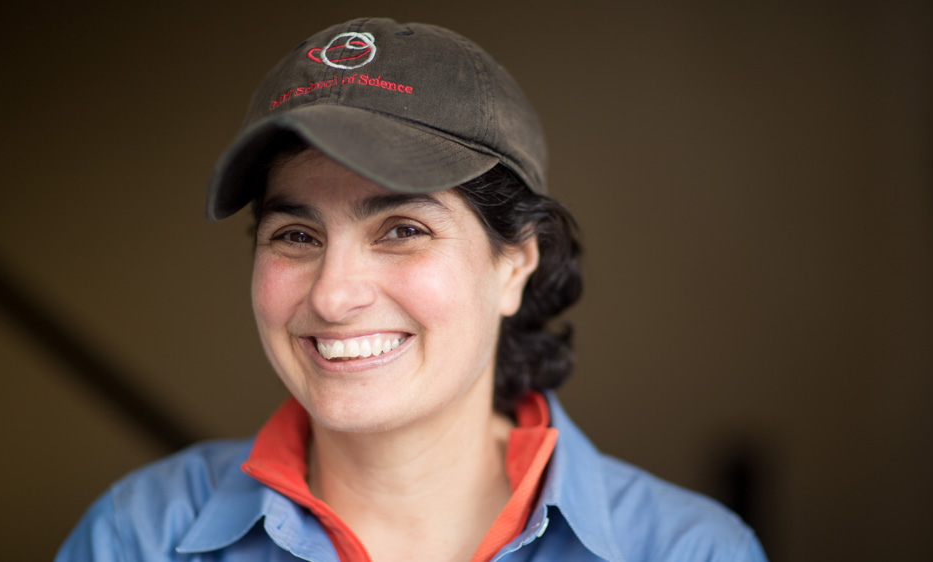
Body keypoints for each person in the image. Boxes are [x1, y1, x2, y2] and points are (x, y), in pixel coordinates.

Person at [57, 17, 768, 562]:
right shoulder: (140, 534)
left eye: (402, 230)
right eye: (296, 236)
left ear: (515, 263)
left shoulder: (687, 549)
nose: (333, 297)